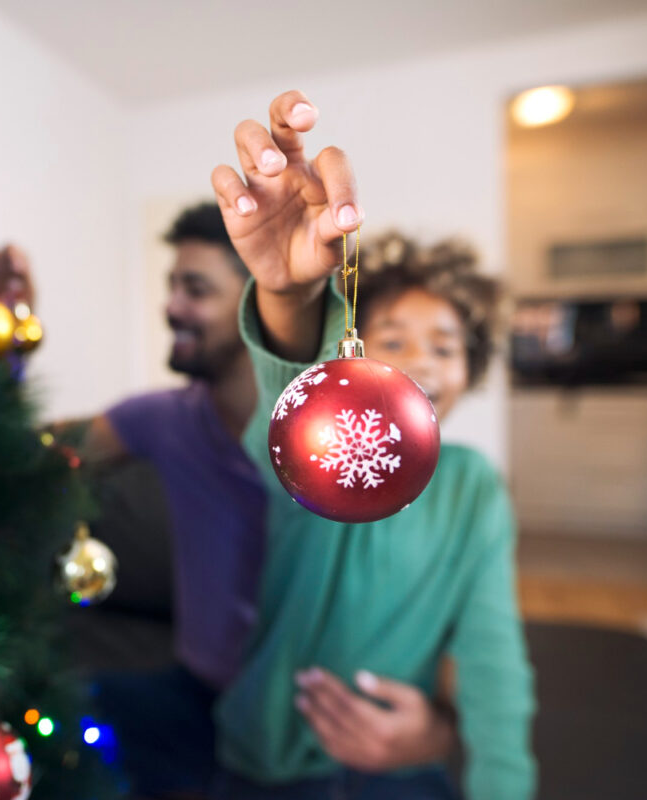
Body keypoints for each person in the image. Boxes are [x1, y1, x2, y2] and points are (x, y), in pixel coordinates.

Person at [0, 206, 459, 799]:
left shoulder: (346, 440)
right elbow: (30, 457)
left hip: (319, 714)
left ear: (251, 304)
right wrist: (4, 341)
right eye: (171, 286)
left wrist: (437, 729)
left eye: (195, 289)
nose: (171, 306)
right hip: (197, 696)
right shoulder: (158, 419)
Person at [207, 90, 535, 800]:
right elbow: (285, 422)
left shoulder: (474, 486)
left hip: (404, 764)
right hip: (267, 760)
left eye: (444, 346)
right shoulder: (315, 456)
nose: (419, 360)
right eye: (392, 340)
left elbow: (491, 652)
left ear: (469, 371)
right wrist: (290, 299)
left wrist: (453, 743)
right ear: (351, 356)